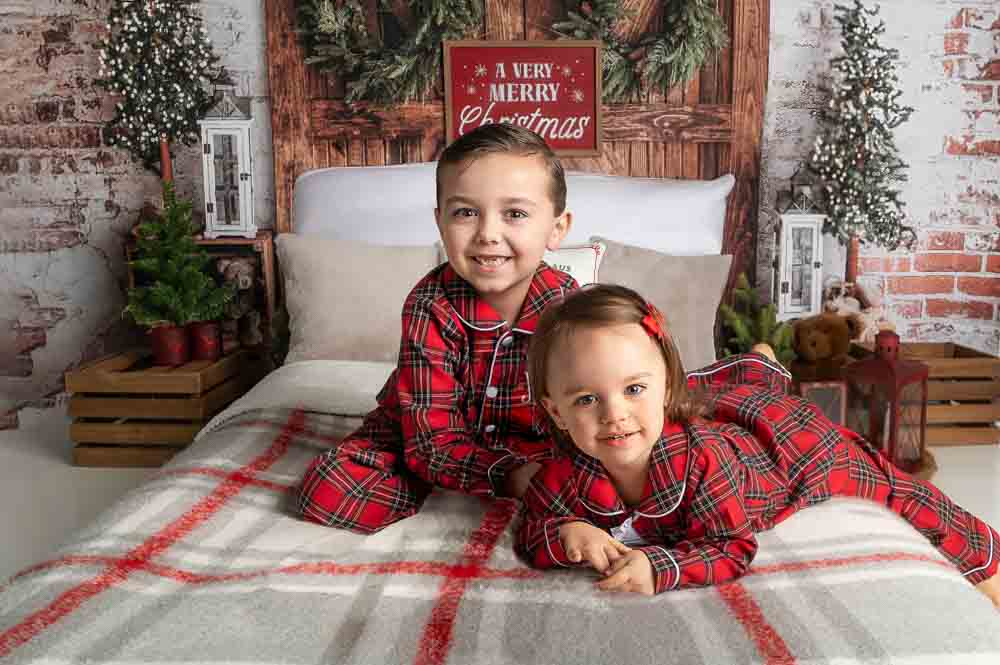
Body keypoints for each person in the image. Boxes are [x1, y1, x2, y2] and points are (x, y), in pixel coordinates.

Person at [515, 283, 1000, 606]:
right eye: (585, 398)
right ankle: (758, 361)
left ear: (664, 386)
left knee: (888, 484)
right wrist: (566, 534)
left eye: (634, 389)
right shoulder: (567, 469)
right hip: (711, 409)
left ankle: (992, 568)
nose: (613, 414)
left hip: (779, 451)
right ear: (556, 411)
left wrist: (662, 567)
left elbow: (731, 547)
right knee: (719, 393)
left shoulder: (703, 462)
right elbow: (531, 528)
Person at [295, 123, 575, 533]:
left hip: (530, 445)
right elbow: (430, 442)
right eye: (465, 213)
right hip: (424, 437)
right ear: (440, 221)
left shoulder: (570, 309)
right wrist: (510, 477)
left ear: (556, 228)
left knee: (619, 474)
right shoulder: (431, 305)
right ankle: (437, 485)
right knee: (329, 491)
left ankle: (499, 485)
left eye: (514, 214)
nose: (487, 235)